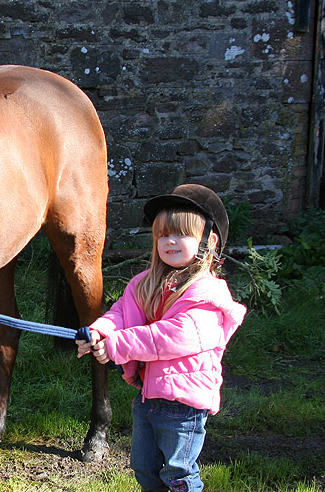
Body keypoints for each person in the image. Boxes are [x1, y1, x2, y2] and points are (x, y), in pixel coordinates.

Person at [76, 184, 246, 492]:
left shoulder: (207, 292)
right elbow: (121, 314)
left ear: (210, 241)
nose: (170, 241)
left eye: (181, 234)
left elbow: (173, 337)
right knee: (144, 468)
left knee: (179, 473)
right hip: (148, 397)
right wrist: (102, 330)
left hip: (183, 404)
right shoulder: (145, 282)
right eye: (163, 235)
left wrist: (117, 345)